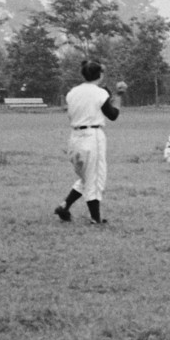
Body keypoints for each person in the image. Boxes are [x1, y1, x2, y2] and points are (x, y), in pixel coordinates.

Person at [55, 60, 120, 224]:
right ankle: (95, 218)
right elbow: (113, 115)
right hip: (92, 136)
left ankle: (65, 206)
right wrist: (119, 96)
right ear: (100, 74)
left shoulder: (73, 92)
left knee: (86, 177)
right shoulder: (99, 93)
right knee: (95, 178)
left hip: (74, 137)